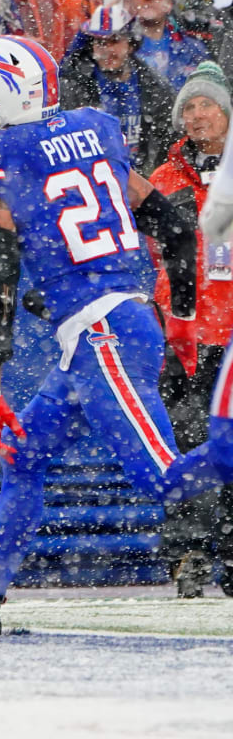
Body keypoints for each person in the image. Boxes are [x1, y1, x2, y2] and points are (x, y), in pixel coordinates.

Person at [0, 35, 232, 636]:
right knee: (22, 456)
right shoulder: (94, 130)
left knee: (164, 479)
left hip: (101, 331)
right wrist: (184, 320)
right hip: (107, 326)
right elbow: (175, 226)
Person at [150, 63, 233, 597]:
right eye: (189, 108)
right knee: (186, 448)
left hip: (230, 337)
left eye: (207, 104)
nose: (197, 115)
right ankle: (189, 553)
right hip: (182, 336)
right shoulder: (162, 178)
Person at [59, 3, 175, 175]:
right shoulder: (73, 86)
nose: (106, 50)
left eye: (114, 41)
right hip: (94, 180)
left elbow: (166, 142)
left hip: (143, 183)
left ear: (130, 45)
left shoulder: (155, 87)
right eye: (100, 42)